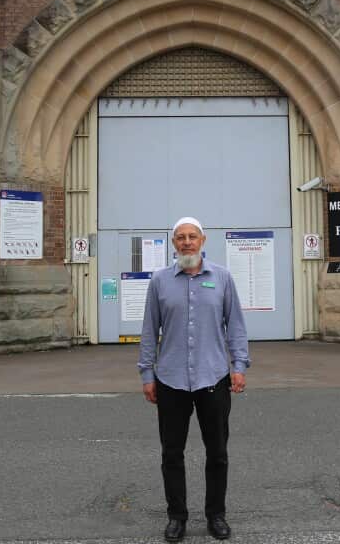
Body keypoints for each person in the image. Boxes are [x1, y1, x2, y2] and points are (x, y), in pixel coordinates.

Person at [138, 217, 250, 542]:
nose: (186, 242)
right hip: (170, 381)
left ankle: (216, 514)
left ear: (203, 240)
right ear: (173, 244)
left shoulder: (223, 278)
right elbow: (149, 331)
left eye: (192, 237)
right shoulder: (160, 281)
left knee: (217, 452)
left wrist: (239, 365)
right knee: (172, 453)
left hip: (213, 379)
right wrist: (147, 373)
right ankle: (177, 517)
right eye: (180, 238)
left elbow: (236, 326)